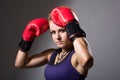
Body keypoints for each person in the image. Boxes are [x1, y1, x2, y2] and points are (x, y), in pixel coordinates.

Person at [15, 6, 94, 80]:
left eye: (62, 31)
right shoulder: (51, 54)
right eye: (53, 32)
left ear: (70, 30)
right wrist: (26, 40)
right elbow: (20, 63)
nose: (57, 37)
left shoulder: (76, 56)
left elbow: (87, 61)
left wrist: (73, 26)